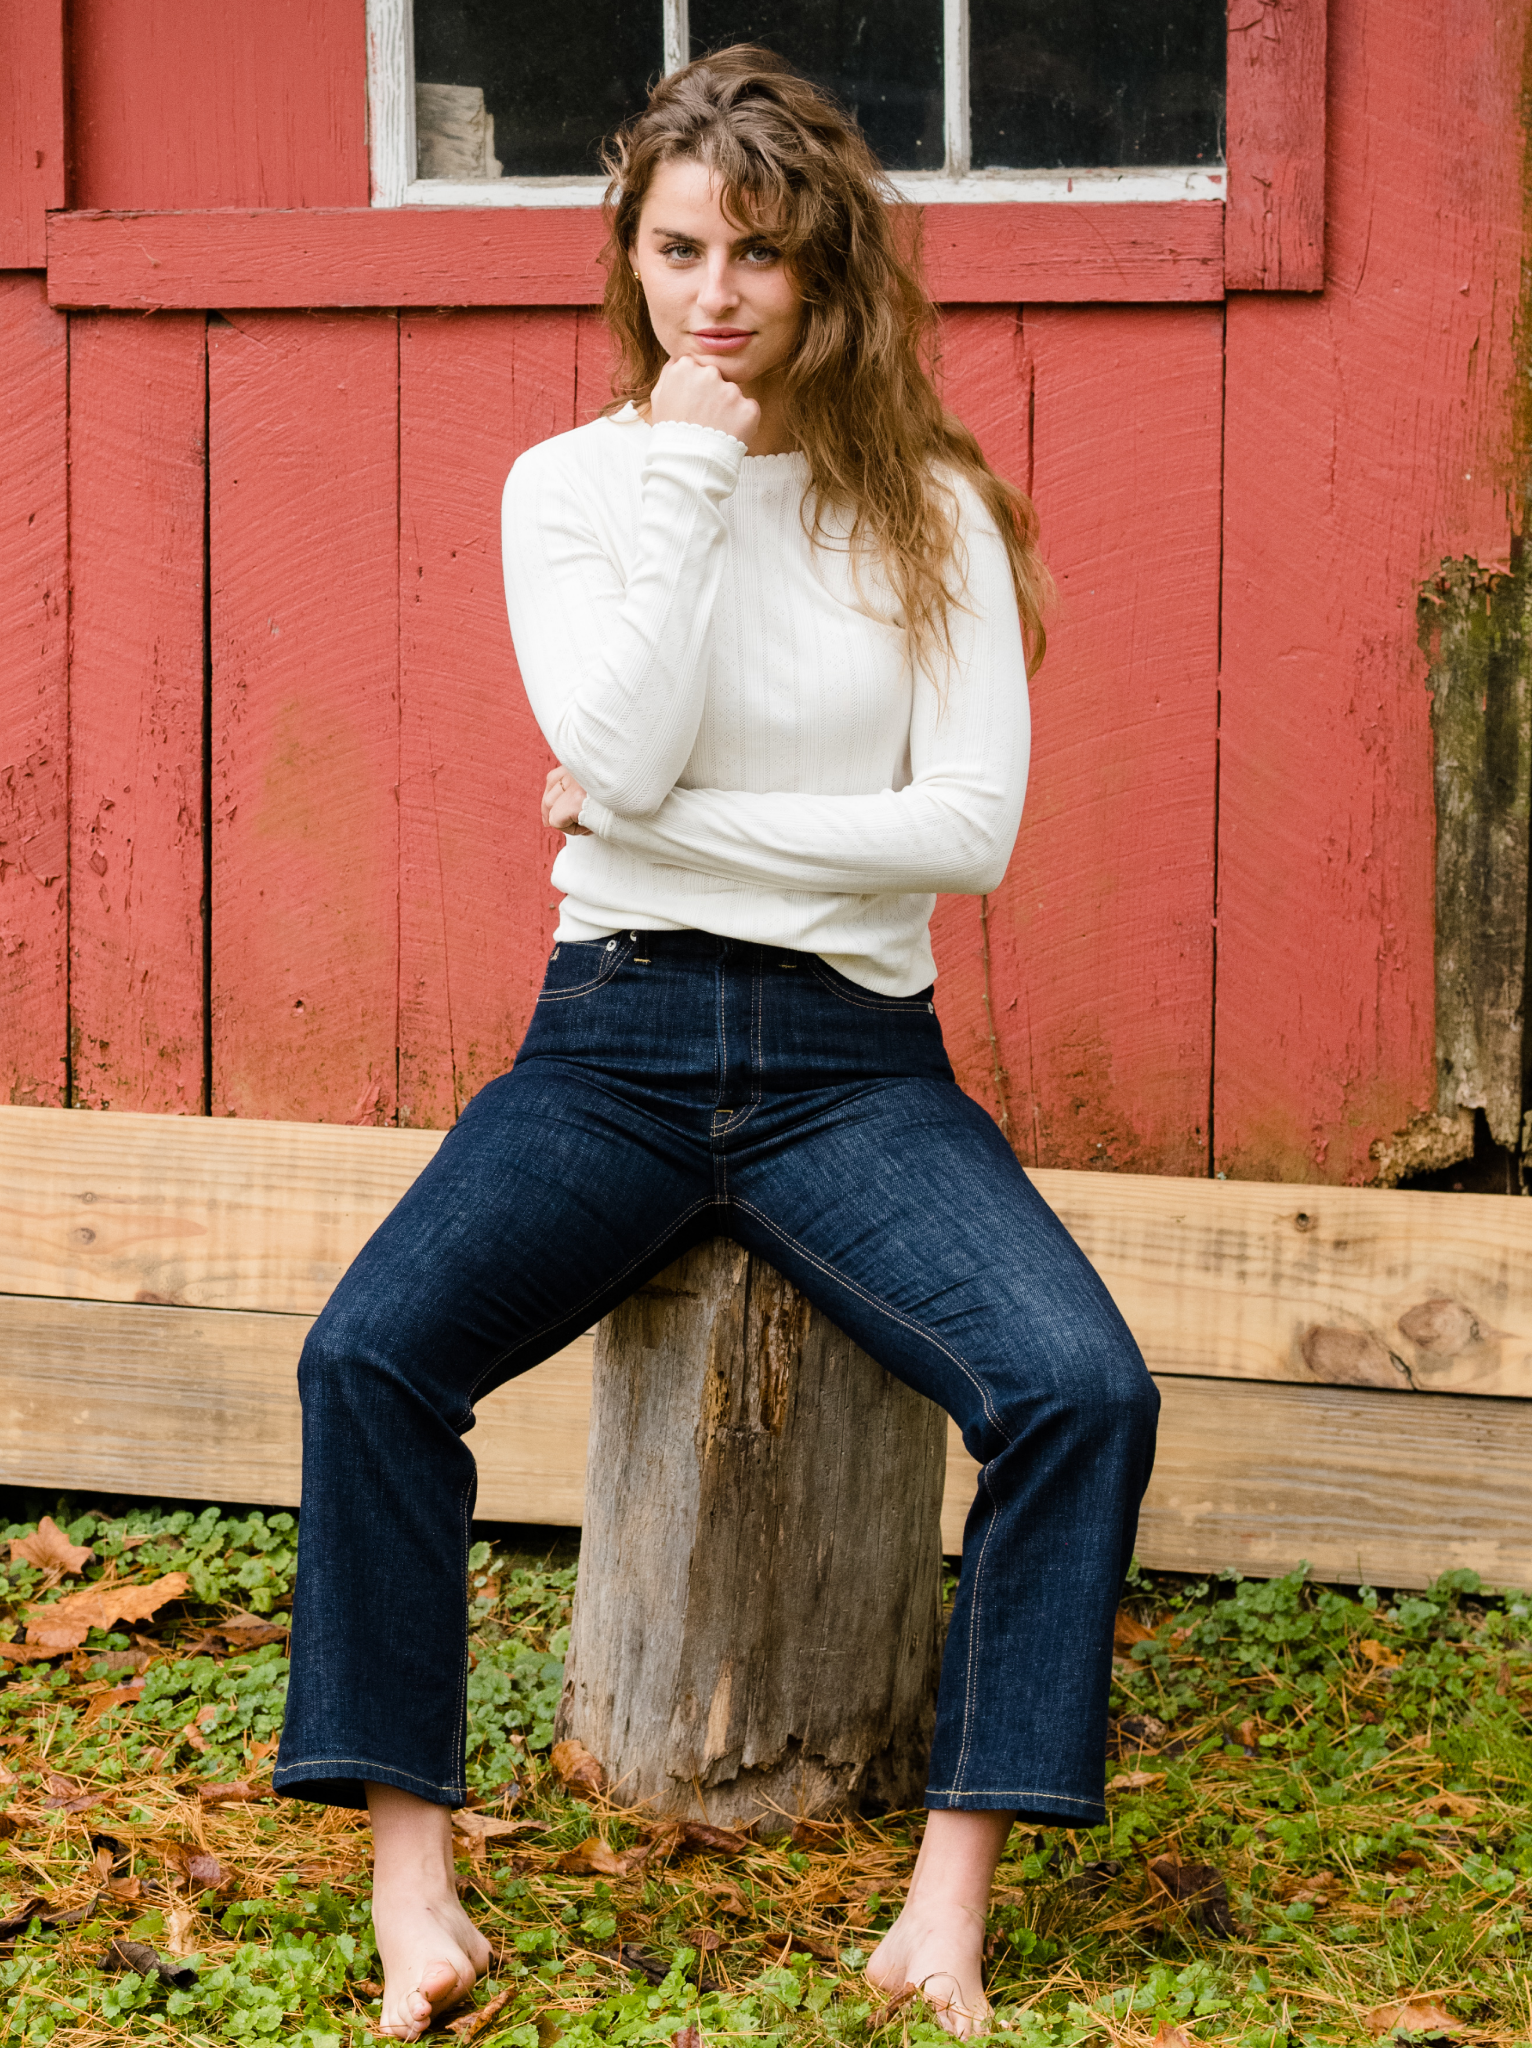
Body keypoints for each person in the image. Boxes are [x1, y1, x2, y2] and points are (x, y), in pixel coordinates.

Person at [273, 44, 1159, 2044]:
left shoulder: (933, 512)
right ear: (631, 256)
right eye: (678, 249)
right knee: (368, 1358)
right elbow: (623, 733)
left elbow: (965, 833)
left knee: (1081, 1388)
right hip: (615, 1036)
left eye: (757, 251)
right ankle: (414, 1890)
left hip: (856, 1064)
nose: (716, 292)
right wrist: (683, 472)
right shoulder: (574, 488)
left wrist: (653, 821)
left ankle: (946, 1903)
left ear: (827, 264)